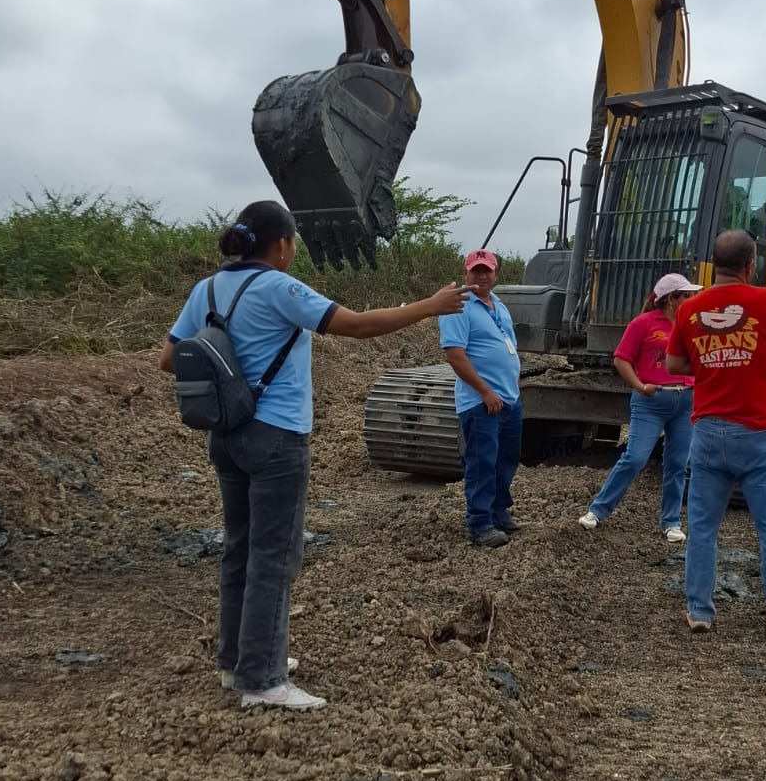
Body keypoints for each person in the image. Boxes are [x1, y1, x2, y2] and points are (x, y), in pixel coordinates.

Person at [161, 200, 465, 711]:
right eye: (294, 242)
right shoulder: (280, 288)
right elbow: (358, 325)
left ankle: (236, 662)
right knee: (274, 555)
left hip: (225, 435)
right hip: (276, 438)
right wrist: (430, 306)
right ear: (282, 245)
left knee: (240, 549)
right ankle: (263, 679)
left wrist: (231, 375)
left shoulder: (206, 289)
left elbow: (169, 358)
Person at [666, 229, 766, 640]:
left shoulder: (689, 309)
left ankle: (699, 612)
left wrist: (711, 362)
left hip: (709, 432)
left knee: (702, 528)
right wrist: (754, 359)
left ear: (714, 265)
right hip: (759, 432)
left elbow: (674, 365)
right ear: (750, 265)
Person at [577, 272, 700, 542]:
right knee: (635, 457)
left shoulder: (691, 325)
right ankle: (597, 511)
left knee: (678, 463)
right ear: (671, 299)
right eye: (686, 295)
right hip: (651, 402)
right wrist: (640, 386)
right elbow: (621, 359)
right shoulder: (643, 324)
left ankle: (671, 522)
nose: (691, 299)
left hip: (685, 401)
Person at [439, 249, 522, 549]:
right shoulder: (458, 307)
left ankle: (498, 512)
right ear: (466, 273)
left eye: (487, 270)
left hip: (509, 399)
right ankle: (479, 523)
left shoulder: (499, 305)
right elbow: (455, 355)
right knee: (481, 463)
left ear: (496, 274)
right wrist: (486, 391)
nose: (482, 275)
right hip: (481, 402)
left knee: (505, 460)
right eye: (476, 270)